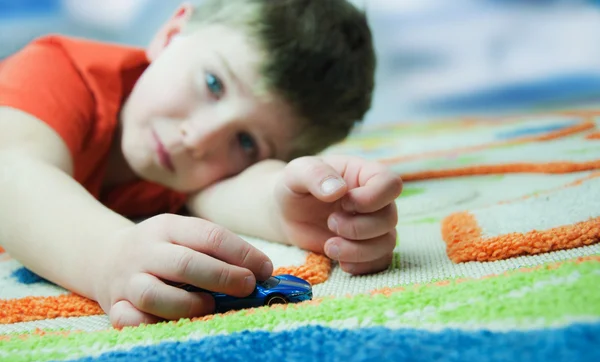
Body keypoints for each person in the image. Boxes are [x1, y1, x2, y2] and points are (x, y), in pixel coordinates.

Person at [0, 0, 402, 328]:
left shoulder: (194, 171)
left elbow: (229, 192)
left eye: (246, 142)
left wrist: (288, 207)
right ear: (172, 34)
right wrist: (109, 254)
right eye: (213, 84)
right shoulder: (57, 72)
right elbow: (11, 173)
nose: (199, 139)